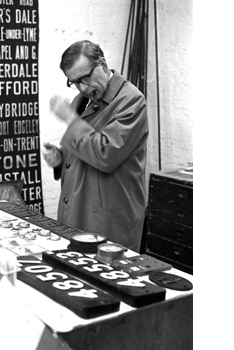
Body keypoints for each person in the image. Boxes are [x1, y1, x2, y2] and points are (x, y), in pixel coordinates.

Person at [43, 40, 149, 251]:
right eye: (74, 82)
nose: (83, 87)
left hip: (108, 219)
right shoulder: (82, 100)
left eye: (86, 78)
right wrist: (61, 158)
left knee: (110, 280)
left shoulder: (131, 102)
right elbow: (85, 147)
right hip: (77, 211)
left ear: (102, 64)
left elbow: (105, 154)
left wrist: (71, 120)